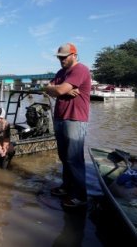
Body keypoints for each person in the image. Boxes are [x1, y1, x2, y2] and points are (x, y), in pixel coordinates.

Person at [45, 43, 91, 208]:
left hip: (75, 119)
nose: (61, 60)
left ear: (74, 55)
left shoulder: (80, 70)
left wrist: (57, 89)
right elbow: (48, 88)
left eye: (64, 57)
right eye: (60, 57)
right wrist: (57, 89)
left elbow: (57, 90)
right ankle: (66, 187)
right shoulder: (61, 72)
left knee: (74, 158)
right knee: (64, 156)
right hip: (60, 117)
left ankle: (80, 196)